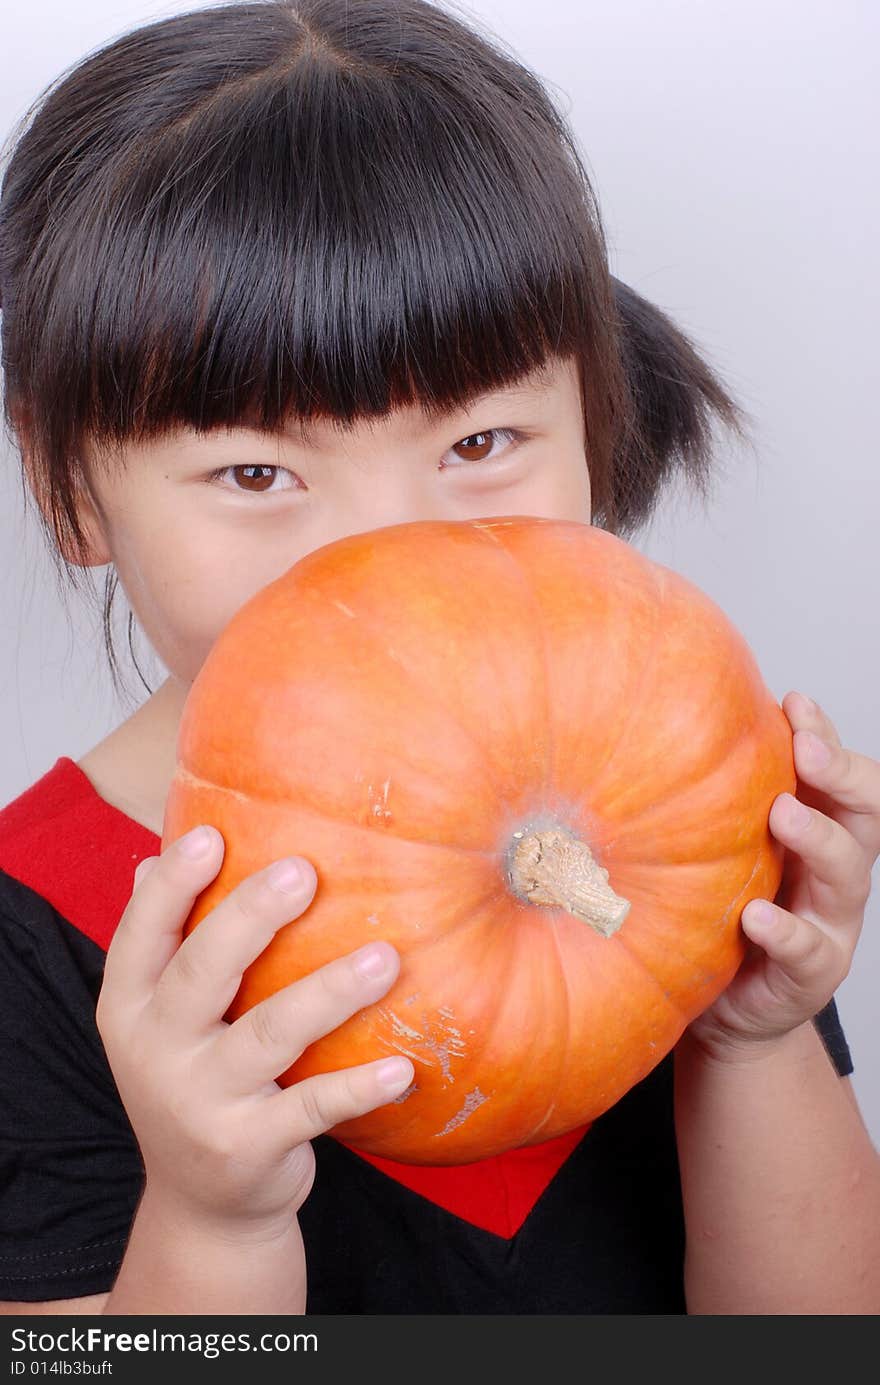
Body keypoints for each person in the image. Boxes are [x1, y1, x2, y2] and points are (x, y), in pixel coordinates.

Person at [0, 0, 878, 1317]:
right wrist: (210, 1210)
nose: (391, 548)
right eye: (257, 470)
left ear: (593, 415)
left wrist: (751, 1041)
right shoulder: (30, 936)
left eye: (477, 446)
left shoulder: (669, 794)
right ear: (70, 489)